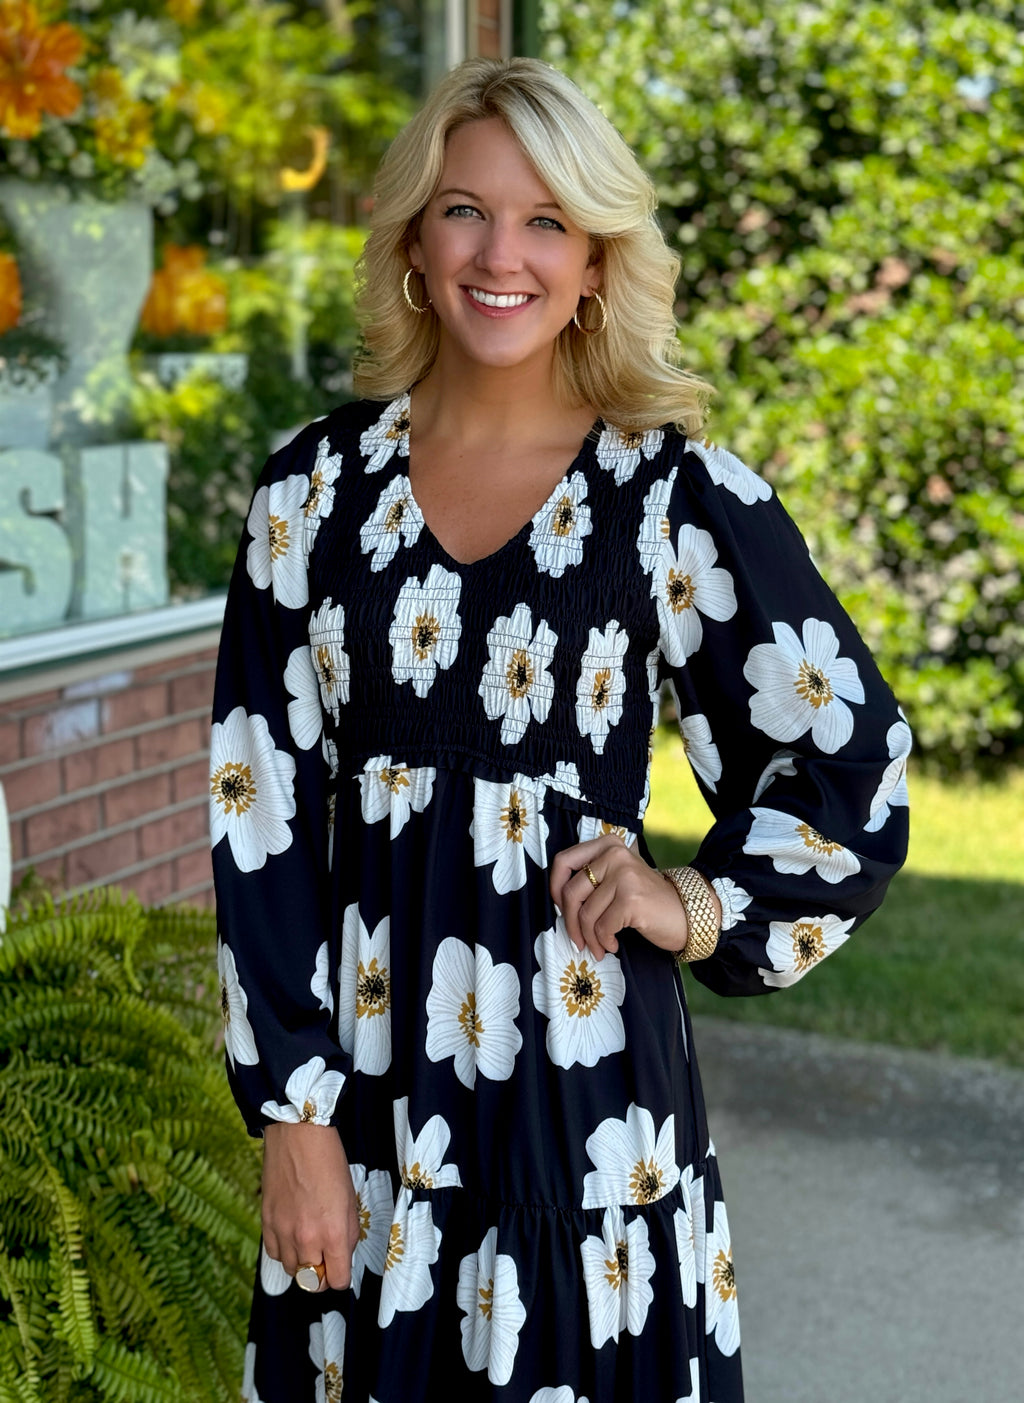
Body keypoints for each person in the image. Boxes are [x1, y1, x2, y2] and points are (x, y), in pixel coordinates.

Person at [211, 56, 910, 1403]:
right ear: (416, 239)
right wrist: (293, 1122)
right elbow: (261, 818)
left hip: (591, 1115)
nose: (502, 255)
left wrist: (694, 901)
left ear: (596, 261)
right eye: (465, 210)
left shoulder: (676, 497)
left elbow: (852, 761)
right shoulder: (311, 497)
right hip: (369, 1097)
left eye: (547, 222)